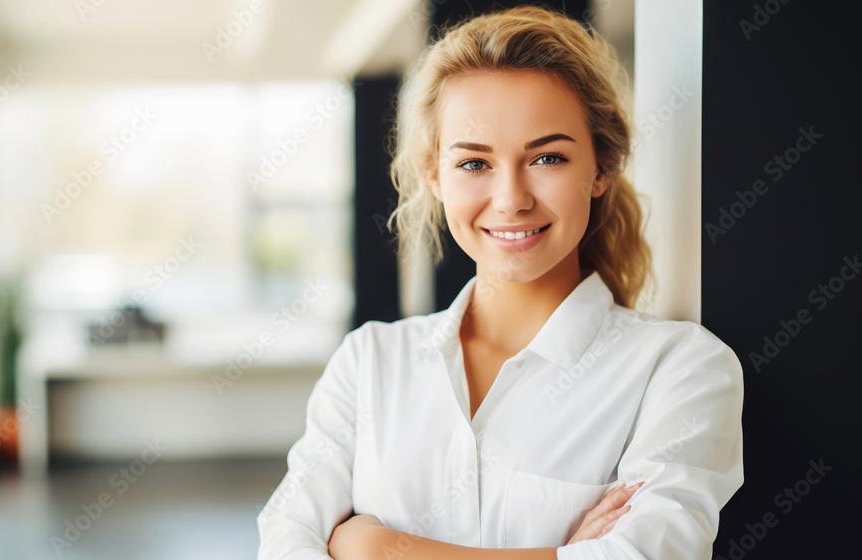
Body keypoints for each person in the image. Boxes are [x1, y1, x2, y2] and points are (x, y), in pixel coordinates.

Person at [257, 5, 744, 560]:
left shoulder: (680, 368)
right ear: (435, 175)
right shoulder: (368, 362)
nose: (511, 199)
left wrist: (378, 547)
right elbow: (284, 542)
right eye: (474, 164)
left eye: (547, 157)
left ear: (602, 168)